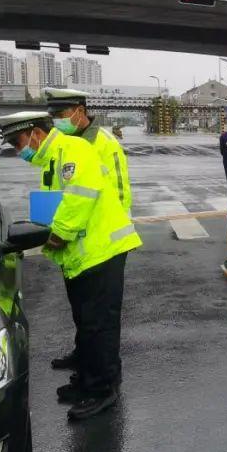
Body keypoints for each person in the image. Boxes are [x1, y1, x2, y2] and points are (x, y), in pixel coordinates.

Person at [0, 111, 142, 419]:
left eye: (19, 142)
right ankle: (87, 380)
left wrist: (58, 235)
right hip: (80, 255)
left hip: (102, 251)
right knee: (86, 323)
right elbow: (54, 204)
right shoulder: (51, 159)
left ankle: (103, 389)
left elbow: (79, 197)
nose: (19, 151)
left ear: (35, 134)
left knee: (99, 325)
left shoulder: (74, 150)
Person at [44, 87, 134, 374]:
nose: (57, 120)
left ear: (80, 111)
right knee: (82, 310)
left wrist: (111, 236)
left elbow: (120, 193)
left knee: (101, 316)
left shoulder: (104, 143)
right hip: (73, 241)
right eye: (54, 115)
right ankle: (84, 354)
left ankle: (106, 372)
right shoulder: (63, 144)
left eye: (61, 114)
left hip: (103, 242)